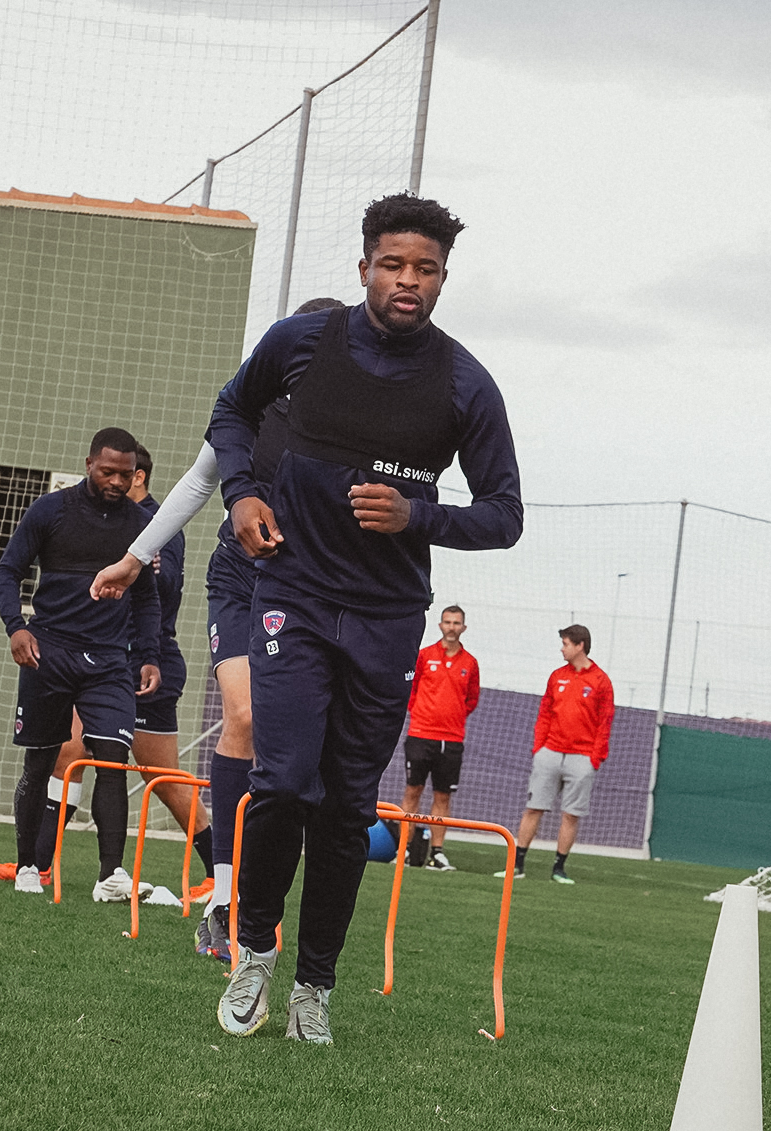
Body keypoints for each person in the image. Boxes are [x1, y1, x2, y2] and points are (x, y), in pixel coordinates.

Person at [209, 193, 522, 1044]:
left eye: (425, 269)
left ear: (443, 280)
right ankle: (255, 954)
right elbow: (231, 414)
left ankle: (316, 985)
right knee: (281, 783)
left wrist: (418, 517)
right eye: (394, 265)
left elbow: (504, 514)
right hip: (294, 597)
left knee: (347, 806)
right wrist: (242, 495)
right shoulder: (301, 342)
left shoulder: (464, 384)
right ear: (364, 270)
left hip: (386, 618)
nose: (408, 281)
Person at [89, 297, 345, 962]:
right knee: (247, 714)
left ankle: (267, 881)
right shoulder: (251, 407)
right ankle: (225, 892)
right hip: (241, 580)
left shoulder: (357, 424)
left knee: (301, 753)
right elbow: (196, 486)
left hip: (309, 590)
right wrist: (131, 557)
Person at [0, 427, 161, 901]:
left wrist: (149, 656)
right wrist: (16, 626)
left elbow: (146, 599)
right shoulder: (52, 510)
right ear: (89, 463)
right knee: (42, 760)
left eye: (125, 474)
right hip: (49, 652)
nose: (116, 481)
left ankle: (111, 876)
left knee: (112, 757)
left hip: (109, 661)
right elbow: (8, 572)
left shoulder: (141, 525)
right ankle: (29, 866)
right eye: (107, 471)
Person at [500, 624, 614, 885]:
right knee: (533, 808)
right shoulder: (556, 676)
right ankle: (517, 866)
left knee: (571, 815)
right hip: (549, 752)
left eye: (565, 644)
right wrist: (539, 748)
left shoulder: (601, 681)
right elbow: (544, 714)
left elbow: (605, 722)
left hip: (582, 758)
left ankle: (559, 869)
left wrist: (594, 759)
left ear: (579, 646)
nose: (562, 649)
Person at [398, 604, 480, 871]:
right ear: (440, 625)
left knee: (442, 796)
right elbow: (411, 692)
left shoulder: (470, 663)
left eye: (457, 623)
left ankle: (437, 853)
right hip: (420, 735)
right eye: (447, 622)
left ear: (463, 628)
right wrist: (424, 715)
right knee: (413, 791)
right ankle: (405, 851)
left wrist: (451, 718)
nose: (452, 628)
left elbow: (471, 700)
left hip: (452, 740)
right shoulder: (424, 656)